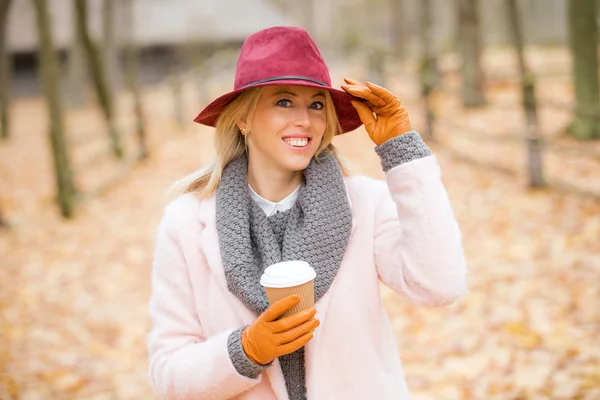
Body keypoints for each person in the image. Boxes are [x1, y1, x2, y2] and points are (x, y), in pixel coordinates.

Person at [147, 26, 467, 400]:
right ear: (243, 118)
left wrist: (402, 150)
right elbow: (167, 372)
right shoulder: (185, 223)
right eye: (284, 102)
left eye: (316, 104)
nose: (305, 120)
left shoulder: (364, 202)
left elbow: (439, 285)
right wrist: (246, 351)